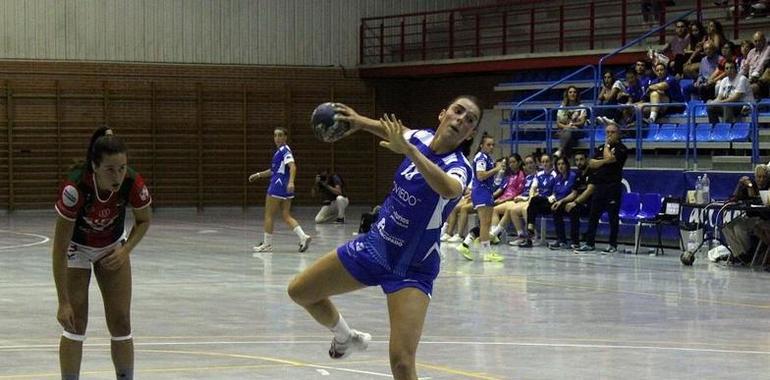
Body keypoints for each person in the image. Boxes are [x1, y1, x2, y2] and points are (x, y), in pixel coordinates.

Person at [287, 96, 480, 380]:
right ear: (442, 114)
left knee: (401, 363)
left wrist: (410, 152)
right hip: (374, 247)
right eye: (457, 111)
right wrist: (358, 122)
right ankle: (345, 337)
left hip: (412, 268)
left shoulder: (460, 166)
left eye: (470, 120)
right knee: (300, 291)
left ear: (470, 133)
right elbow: (393, 131)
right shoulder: (420, 136)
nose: (461, 119)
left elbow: (449, 189)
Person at [52, 127, 152, 380]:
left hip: (112, 245)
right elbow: (60, 247)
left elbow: (144, 220)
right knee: (75, 323)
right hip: (78, 248)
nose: (117, 176)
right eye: (110, 169)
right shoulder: (75, 188)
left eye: (122, 168)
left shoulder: (132, 183)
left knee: (121, 322)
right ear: (94, 167)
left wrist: (126, 249)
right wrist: (62, 301)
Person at [249, 127, 311, 253]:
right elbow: (273, 171)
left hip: (278, 185)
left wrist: (291, 182)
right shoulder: (279, 152)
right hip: (285, 187)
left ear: (285, 137)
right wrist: (258, 174)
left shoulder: (284, 150)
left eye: (280, 135)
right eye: (275, 135)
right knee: (286, 215)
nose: (277, 138)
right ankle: (303, 237)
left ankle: (267, 244)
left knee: (269, 215)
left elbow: (292, 166)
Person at [574, 121, 628, 254]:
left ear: (618, 134)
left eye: (612, 132)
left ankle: (612, 244)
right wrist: (605, 161)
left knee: (612, 216)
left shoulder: (622, 149)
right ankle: (589, 243)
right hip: (600, 186)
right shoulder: (599, 148)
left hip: (613, 186)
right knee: (593, 214)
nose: (609, 135)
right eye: (607, 132)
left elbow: (610, 158)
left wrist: (606, 152)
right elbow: (591, 163)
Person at [455, 135, 505, 262]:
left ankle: (465, 245)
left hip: (486, 191)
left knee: (485, 223)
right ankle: (487, 253)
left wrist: (500, 173)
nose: (491, 147)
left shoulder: (488, 158)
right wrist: (496, 169)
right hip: (481, 192)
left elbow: (492, 181)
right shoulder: (481, 157)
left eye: (493, 144)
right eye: (488, 144)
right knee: (485, 223)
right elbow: (481, 175)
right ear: (481, 145)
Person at [520, 156, 576, 248]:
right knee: (533, 202)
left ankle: (531, 234)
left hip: (558, 201)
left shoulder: (563, 176)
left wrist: (555, 199)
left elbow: (570, 193)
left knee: (536, 203)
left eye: (562, 164)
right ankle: (530, 234)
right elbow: (553, 191)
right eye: (559, 164)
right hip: (550, 200)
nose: (561, 166)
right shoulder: (558, 177)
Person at [723, 165, 770, 263]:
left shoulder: (768, 186)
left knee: (739, 228)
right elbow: (734, 199)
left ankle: (747, 255)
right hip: (749, 217)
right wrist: (740, 184)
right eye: (759, 177)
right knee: (727, 227)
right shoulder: (750, 184)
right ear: (755, 177)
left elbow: (757, 198)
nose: (761, 179)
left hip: (763, 218)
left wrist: (751, 188)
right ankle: (740, 255)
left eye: (764, 177)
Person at [550, 151, 594, 250]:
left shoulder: (592, 172)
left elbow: (589, 190)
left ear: (586, 159)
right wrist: (561, 202)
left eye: (581, 159)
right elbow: (574, 193)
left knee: (574, 210)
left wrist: (574, 203)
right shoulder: (578, 174)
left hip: (590, 204)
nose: (579, 162)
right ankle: (561, 240)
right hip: (578, 202)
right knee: (556, 208)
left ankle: (575, 242)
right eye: (577, 160)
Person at [555, 86, 587, 158]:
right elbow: (558, 123)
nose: (572, 94)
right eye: (570, 92)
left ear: (577, 94)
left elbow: (582, 122)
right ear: (567, 94)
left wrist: (572, 124)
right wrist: (567, 126)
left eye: (574, 92)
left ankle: (560, 150)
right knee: (568, 134)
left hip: (577, 131)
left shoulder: (582, 107)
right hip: (565, 130)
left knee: (568, 132)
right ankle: (566, 158)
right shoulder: (562, 107)